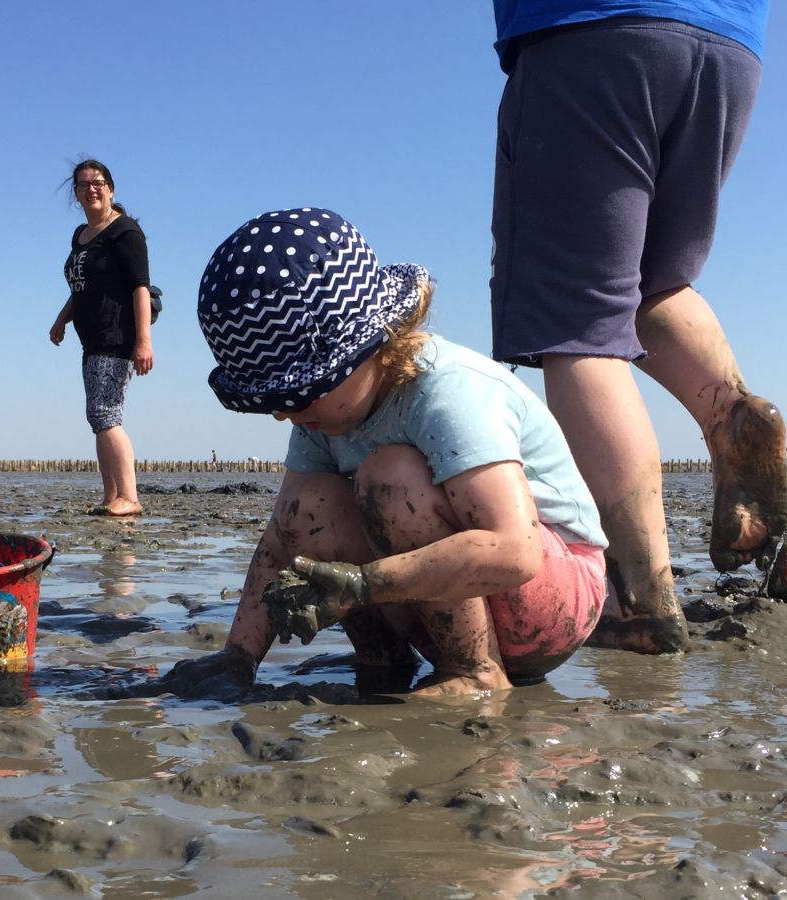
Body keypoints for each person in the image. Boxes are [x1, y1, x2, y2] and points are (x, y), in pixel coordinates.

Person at [167, 208, 607, 697]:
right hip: (434, 604)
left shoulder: (449, 391)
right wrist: (239, 656)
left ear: (371, 344)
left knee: (392, 478)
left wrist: (365, 584)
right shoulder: (321, 414)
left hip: (553, 602)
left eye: (298, 392)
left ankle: (475, 671)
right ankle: (383, 658)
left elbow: (516, 550)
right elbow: (282, 538)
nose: (283, 413)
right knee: (310, 504)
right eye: (272, 400)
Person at [489, 2, 787, 652]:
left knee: (577, 328)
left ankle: (638, 602)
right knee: (656, 287)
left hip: (590, 32)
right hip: (732, 46)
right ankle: (732, 419)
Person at [49, 159, 154, 517]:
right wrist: (62, 319)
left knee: (107, 414)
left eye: (97, 182)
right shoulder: (80, 235)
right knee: (98, 417)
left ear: (110, 188)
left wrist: (144, 341)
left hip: (117, 335)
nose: (90, 189)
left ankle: (130, 497)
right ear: (75, 194)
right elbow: (82, 288)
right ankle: (111, 496)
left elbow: (140, 287)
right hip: (90, 339)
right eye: (82, 185)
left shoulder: (125, 232)